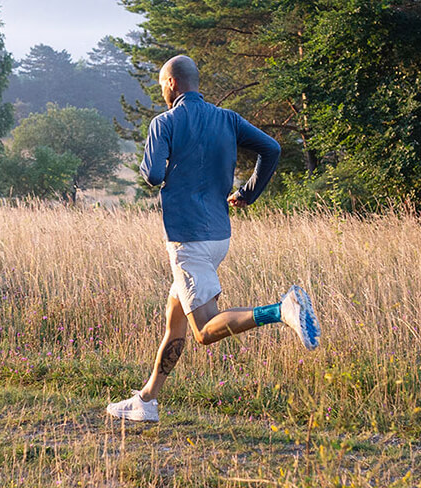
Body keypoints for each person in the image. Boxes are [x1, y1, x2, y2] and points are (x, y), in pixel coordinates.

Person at [105, 55, 320, 423]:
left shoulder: (165, 123)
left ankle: (281, 310)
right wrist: (248, 194)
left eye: (161, 85)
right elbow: (272, 149)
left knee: (203, 330)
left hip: (187, 238)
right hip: (219, 234)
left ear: (172, 83)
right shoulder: (228, 119)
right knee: (175, 320)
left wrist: (155, 164)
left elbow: (153, 175)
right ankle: (146, 400)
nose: (162, 92)